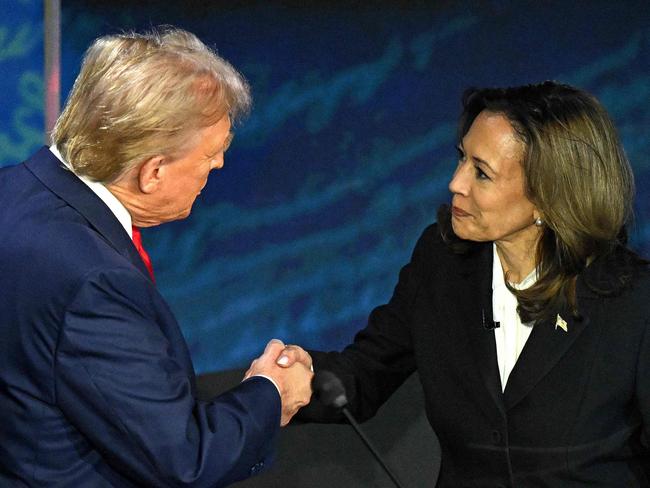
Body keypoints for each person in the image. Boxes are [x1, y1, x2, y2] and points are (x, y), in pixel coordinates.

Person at [279, 81, 650, 486]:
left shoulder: (632, 301)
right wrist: (297, 377)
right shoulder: (441, 263)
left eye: (481, 173)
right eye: (461, 159)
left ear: (549, 195)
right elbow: (367, 371)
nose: (457, 183)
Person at [0, 27, 312, 487]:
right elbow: (184, 459)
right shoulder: (96, 281)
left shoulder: (12, 188)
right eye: (212, 155)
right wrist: (271, 393)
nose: (219, 166)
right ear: (153, 171)